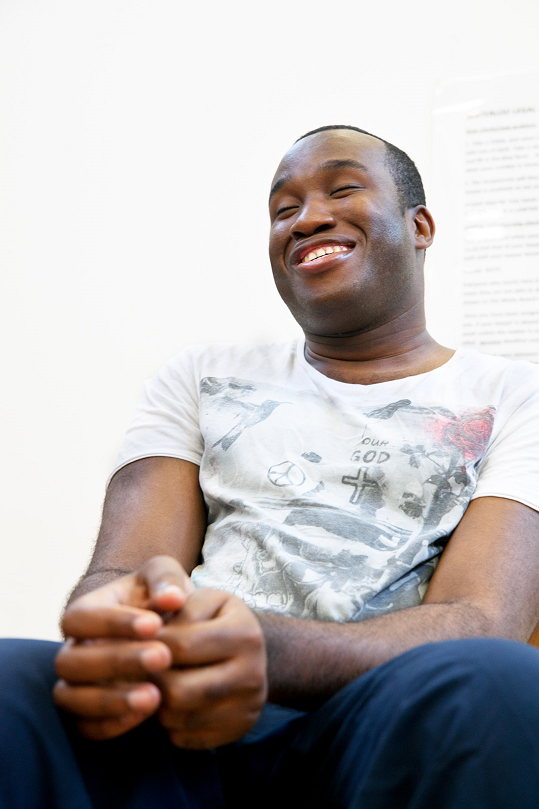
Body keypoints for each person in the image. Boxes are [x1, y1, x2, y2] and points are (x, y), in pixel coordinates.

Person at [2, 124, 539, 809]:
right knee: (10, 680)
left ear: (420, 225)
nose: (306, 217)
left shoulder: (513, 395)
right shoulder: (201, 375)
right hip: (176, 719)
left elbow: (481, 616)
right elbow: (119, 569)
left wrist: (268, 650)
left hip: (380, 727)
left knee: (498, 679)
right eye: (282, 209)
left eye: (342, 188)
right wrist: (120, 624)